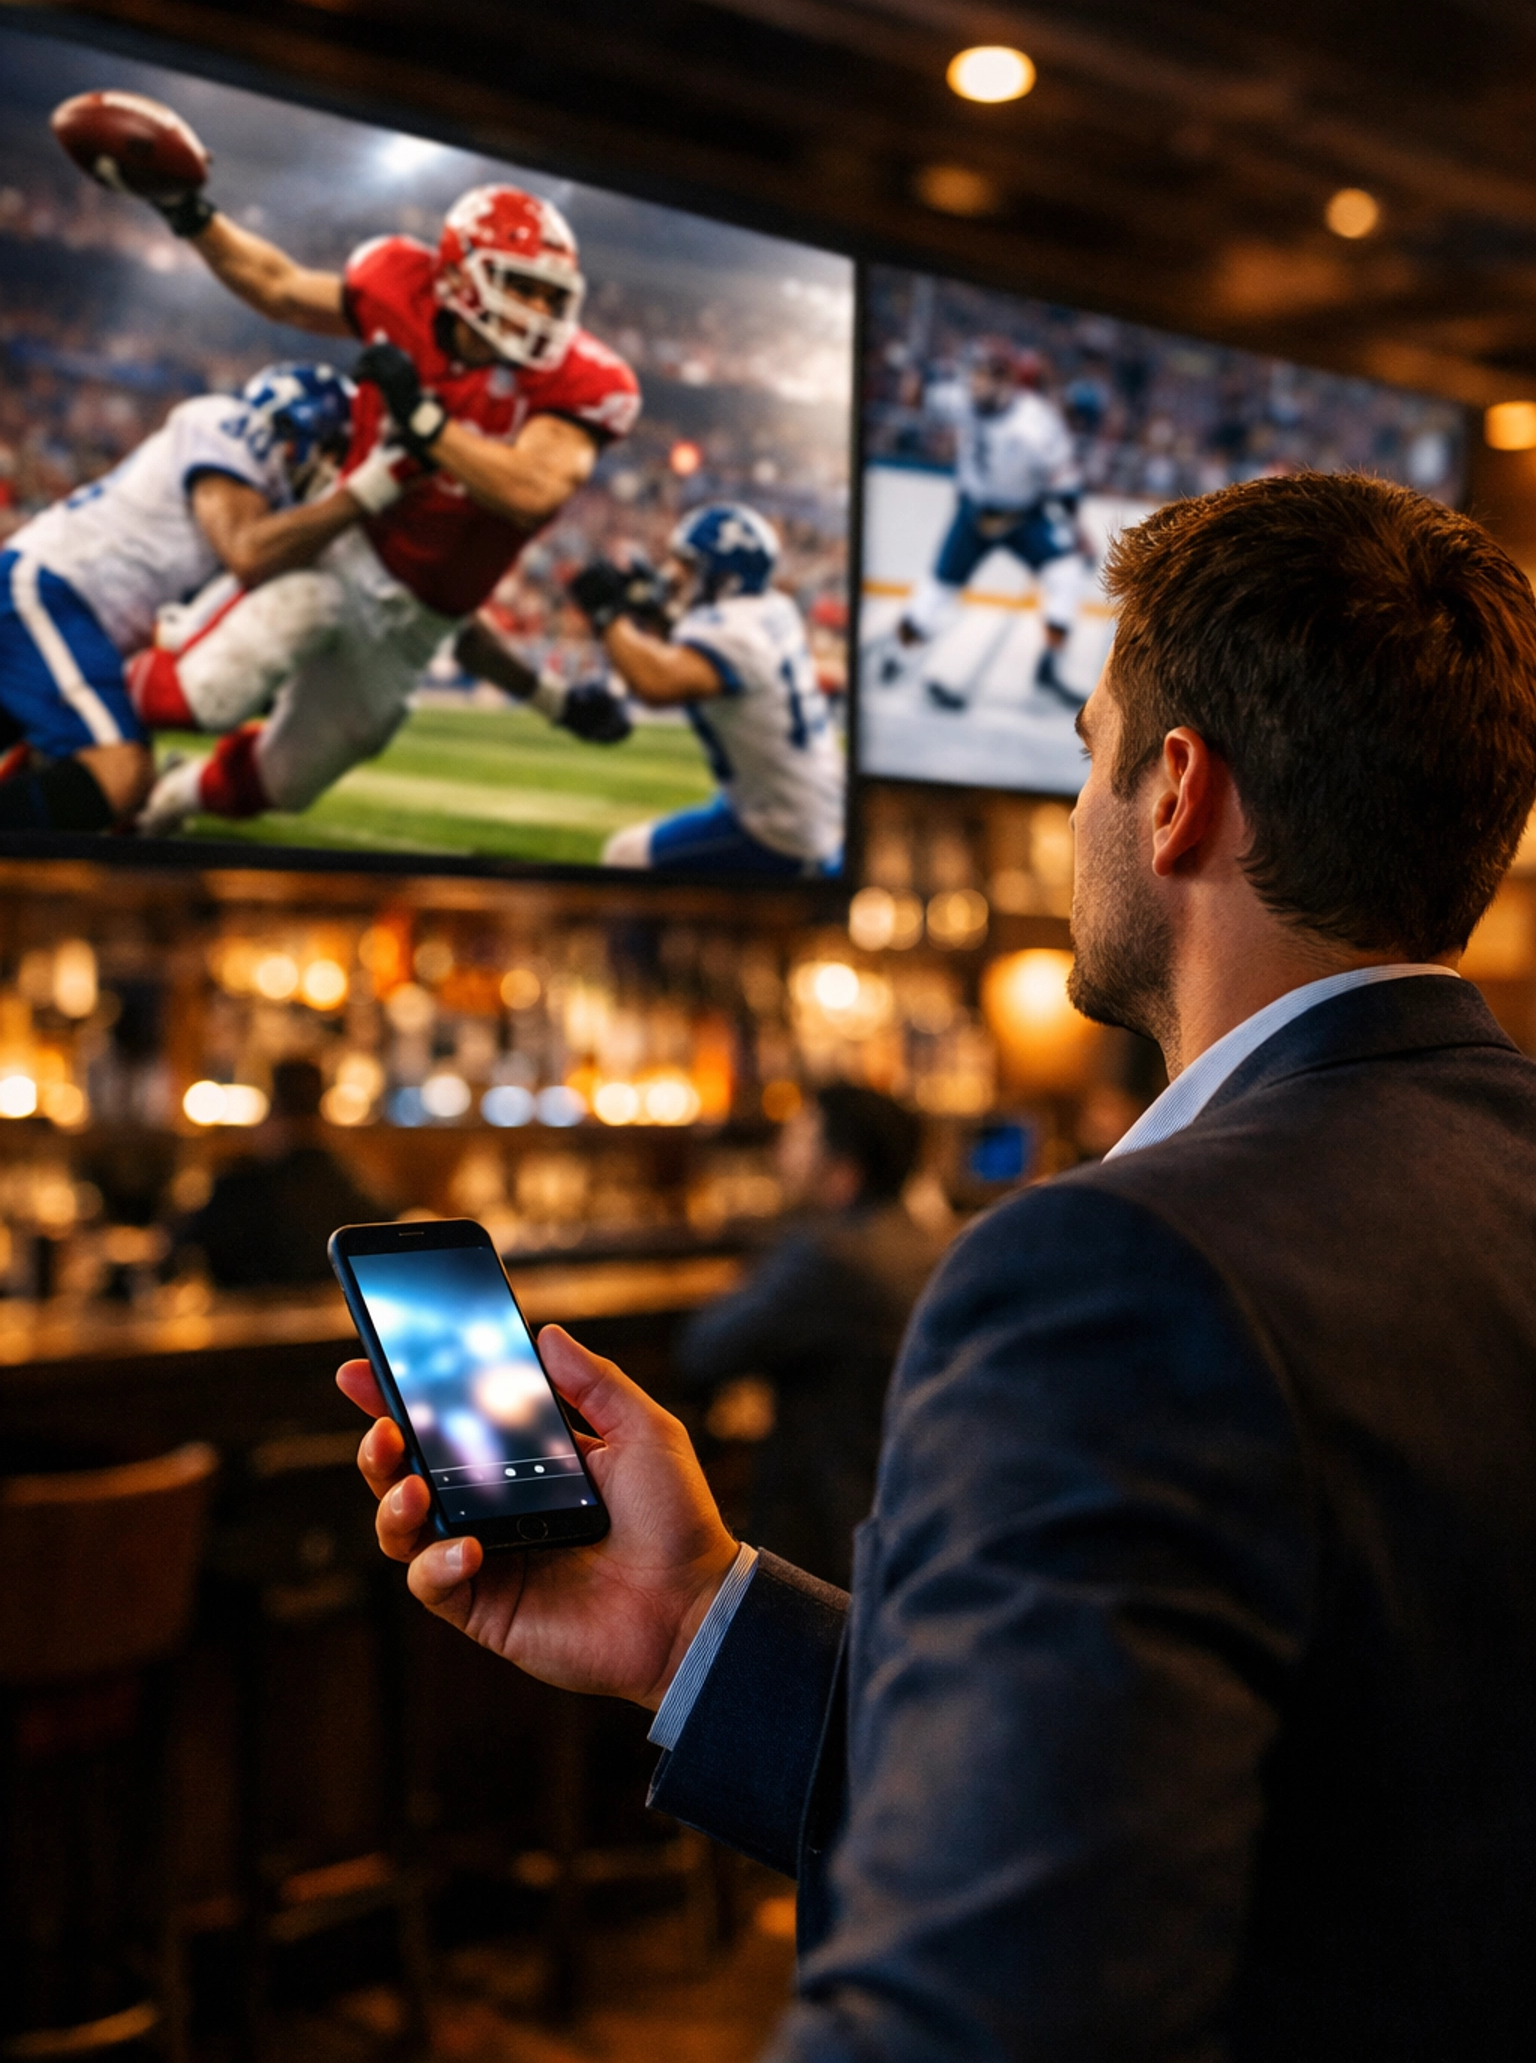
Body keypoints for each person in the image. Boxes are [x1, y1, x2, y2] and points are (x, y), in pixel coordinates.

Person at [342, 471, 1536, 2060]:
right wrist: (695, 1618)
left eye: (1085, 756)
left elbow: (989, 2005)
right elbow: (1211, 1812)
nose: (1071, 817)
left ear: (1175, 791)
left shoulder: (1117, 1269)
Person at [126, 169, 641, 828]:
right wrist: (188, 210)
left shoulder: (576, 381)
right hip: (343, 542)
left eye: (552, 295)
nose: (540, 311)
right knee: (209, 687)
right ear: (460, 276)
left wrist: (424, 422)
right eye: (523, 287)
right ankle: (60, 723)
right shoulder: (400, 287)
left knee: (288, 782)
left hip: (416, 625)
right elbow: (279, 287)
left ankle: (176, 796)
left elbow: (533, 490)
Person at [0, 362, 381, 831]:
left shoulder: (266, 505)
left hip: (70, 609)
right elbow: (247, 551)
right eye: (334, 449)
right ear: (293, 430)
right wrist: (367, 494)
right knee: (120, 774)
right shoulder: (230, 427)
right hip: (52, 591)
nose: (336, 470)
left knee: (105, 788)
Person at [676, 1085, 943, 1587]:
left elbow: (703, 1349)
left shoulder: (827, 1257)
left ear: (842, 1172)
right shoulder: (921, 1241)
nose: (782, 1149)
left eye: (799, 1135)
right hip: (903, 1511)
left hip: (826, 1528)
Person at [569, 502, 845, 876]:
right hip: (805, 801)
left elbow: (657, 683)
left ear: (723, 574)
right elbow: (688, 644)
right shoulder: (772, 608)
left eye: (689, 565)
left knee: (625, 855)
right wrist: (648, 610)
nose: (673, 574)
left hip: (782, 829)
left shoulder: (734, 633)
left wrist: (607, 615)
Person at [882, 339, 1093, 712]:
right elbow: (916, 399)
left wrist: (1079, 533)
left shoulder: (1035, 425)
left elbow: (1065, 483)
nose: (974, 385)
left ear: (1006, 381)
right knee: (934, 595)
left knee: (1066, 574)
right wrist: (915, 375)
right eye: (973, 376)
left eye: (984, 376)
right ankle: (897, 655)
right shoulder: (963, 398)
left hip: (1023, 515)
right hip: (974, 513)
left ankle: (1048, 665)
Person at [184, 1057, 376, 1289]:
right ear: (322, 1113)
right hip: (332, 1320)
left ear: (274, 1111)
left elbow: (182, 1241)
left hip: (245, 1321)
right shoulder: (348, 1184)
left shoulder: (238, 1186)